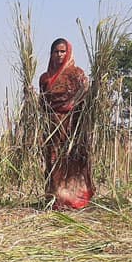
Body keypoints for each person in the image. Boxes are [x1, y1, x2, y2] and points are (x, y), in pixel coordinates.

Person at [39, 38, 92, 210]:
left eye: (63, 51)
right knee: (54, 161)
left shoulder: (77, 74)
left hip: (72, 125)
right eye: (56, 51)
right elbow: (42, 103)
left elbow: (85, 99)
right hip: (52, 126)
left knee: (72, 160)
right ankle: (56, 199)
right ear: (51, 54)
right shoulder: (45, 78)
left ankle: (74, 199)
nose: (59, 55)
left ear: (68, 52)